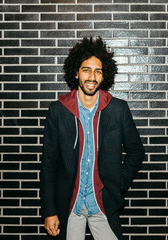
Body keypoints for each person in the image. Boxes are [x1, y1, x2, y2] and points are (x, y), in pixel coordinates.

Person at [40, 36, 145, 240]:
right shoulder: (58, 110)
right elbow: (48, 164)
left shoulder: (118, 109)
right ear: (76, 73)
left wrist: (116, 184)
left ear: (104, 76)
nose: (92, 76)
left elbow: (136, 152)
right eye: (86, 69)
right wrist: (49, 211)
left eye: (98, 71)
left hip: (102, 204)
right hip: (69, 205)